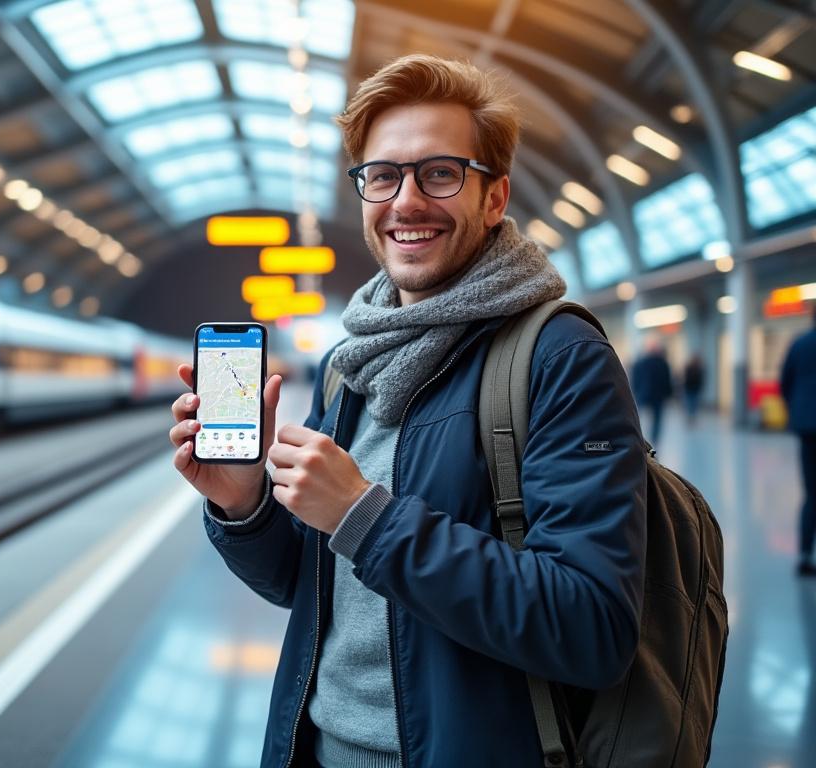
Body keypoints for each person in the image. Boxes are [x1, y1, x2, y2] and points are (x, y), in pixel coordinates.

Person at [168, 55, 647, 767]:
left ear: (494, 197)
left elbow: (591, 628)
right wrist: (246, 509)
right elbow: (312, 590)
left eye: (441, 173)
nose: (406, 201)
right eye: (383, 175)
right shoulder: (349, 364)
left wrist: (367, 516)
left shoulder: (556, 355)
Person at [781, 305, 816, 577]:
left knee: (811, 493)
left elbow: (785, 382)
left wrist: (798, 408)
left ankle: (804, 555)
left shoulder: (800, 344)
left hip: (807, 426)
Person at [631, 338, 673, 445]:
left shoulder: (641, 363)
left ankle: (642, 437)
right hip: (654, 395)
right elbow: (667, 380)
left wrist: (635, 390)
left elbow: (636, 378)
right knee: (653, 418)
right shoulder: (662, 363)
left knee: (641, 417)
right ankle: (651, 438)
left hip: (646, 394)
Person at [681, 353, 705, 428]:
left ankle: (692, 417)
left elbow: (701, 379)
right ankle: (690, 417)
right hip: (689, 388)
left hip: (695, 389)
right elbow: (685, 378)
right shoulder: (689, 368)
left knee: (694, 404)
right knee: (689, 403)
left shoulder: (699, 369)